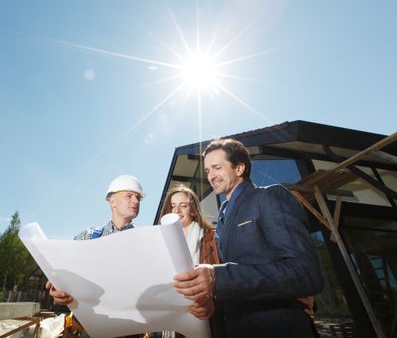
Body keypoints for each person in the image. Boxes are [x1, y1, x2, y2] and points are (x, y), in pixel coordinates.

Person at [173, 138, 323, 338]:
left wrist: (219, 277)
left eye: (217, 167)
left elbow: (305, 273)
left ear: (239, 168)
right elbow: (235, 283)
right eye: (208, 171)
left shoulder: (268, 197)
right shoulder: (223, 216)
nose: (211, 176)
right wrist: (210, 304)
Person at [47, 174, 147, 338]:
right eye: (129, 196)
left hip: (130, 331)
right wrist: (57, 288)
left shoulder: (145, 243)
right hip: (88, 329)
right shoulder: (88, 237)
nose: (136, 201)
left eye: (138, 198)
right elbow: (60, 273)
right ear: (113, 201)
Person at [159, 185, 222, 338]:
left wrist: (210, 302)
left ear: (193, 210)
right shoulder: (161, 243)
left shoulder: (211, 238)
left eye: (183, 206)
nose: (177, 211)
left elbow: (221, 279)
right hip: (173, 320)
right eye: (173, 206)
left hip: (204, 318)